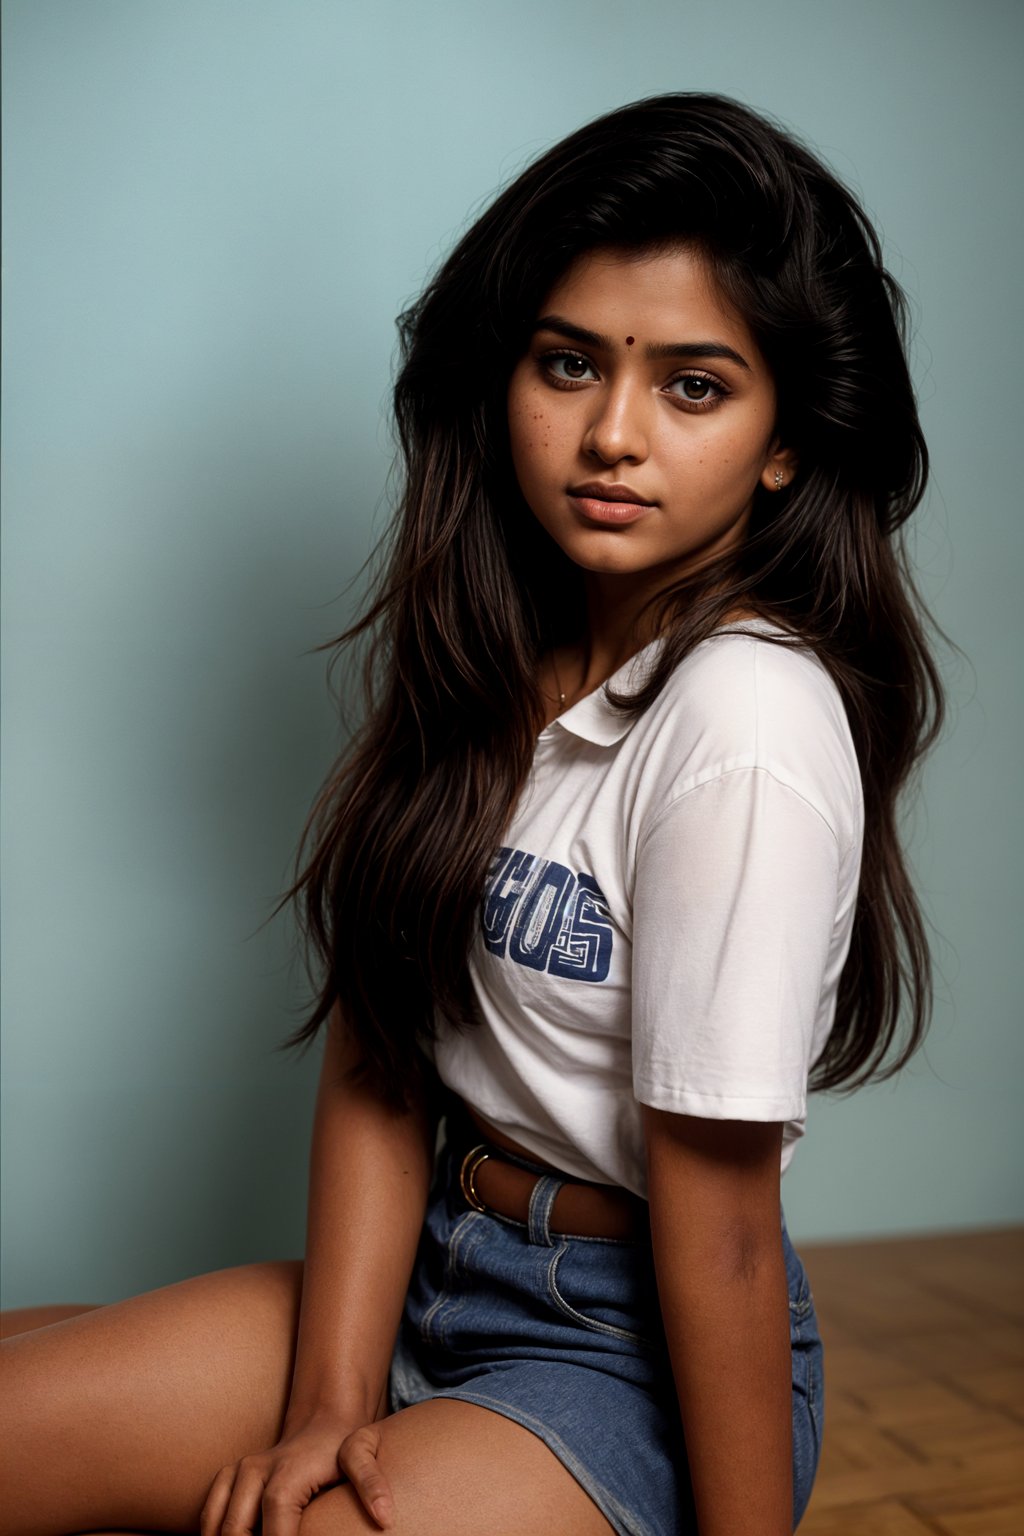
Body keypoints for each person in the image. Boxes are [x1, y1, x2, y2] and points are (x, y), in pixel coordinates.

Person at [0, 92, 942, 1536]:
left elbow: (727, 1228)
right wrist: (330, 1402)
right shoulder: (484, 657)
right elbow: (383, 1061)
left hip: (625, 1358)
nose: (613, 432)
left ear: (785, 442)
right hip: (428, 1266)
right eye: (570, 365)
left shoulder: (741, 722)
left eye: (695, 385)